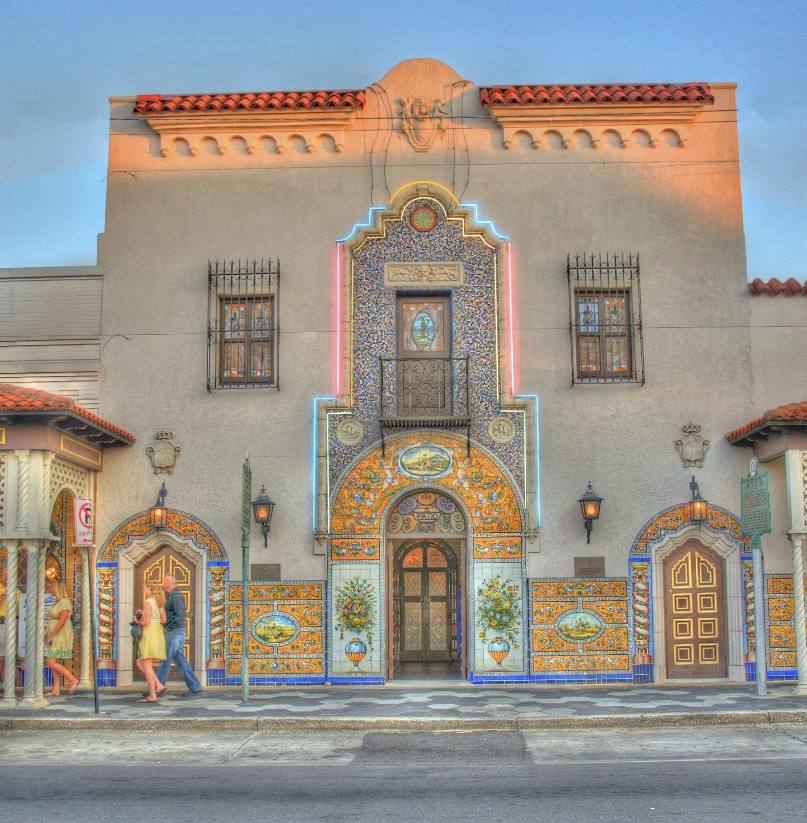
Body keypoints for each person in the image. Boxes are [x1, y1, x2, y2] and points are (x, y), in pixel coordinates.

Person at [156, 574, 202, 696]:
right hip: (175, 632)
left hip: (175, 632)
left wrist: (167, 624)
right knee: (181, 661)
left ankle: (158, 687)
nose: (162, 582)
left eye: (165, 580)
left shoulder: (176, 596)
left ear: (171, 583)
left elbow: (180, 616)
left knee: (165, 660)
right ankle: (194, 685)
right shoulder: (169, 595)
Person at [44, 580, 79, 697]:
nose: (49, 589)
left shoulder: (64, 602)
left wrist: (52, 635)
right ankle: (56, 689)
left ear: (57, 588)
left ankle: (73, 679)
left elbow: (62, 621)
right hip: (56, 633)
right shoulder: (57, 601)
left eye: (51, 587)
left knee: (51, 661)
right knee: (55, 662)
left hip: (61, 634)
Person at [134, 582, 166, 703]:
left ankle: (153, 695)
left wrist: (137, 621)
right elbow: (163, 620)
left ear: (150, 589)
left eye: (144, 587)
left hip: (149, 633)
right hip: (157, 632)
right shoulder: (159, 602)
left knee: (146, 664)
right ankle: (158, 685)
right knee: (139, 662)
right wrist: (147, 615)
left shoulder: (148, 601)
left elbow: (146, 622)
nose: (144, 590)